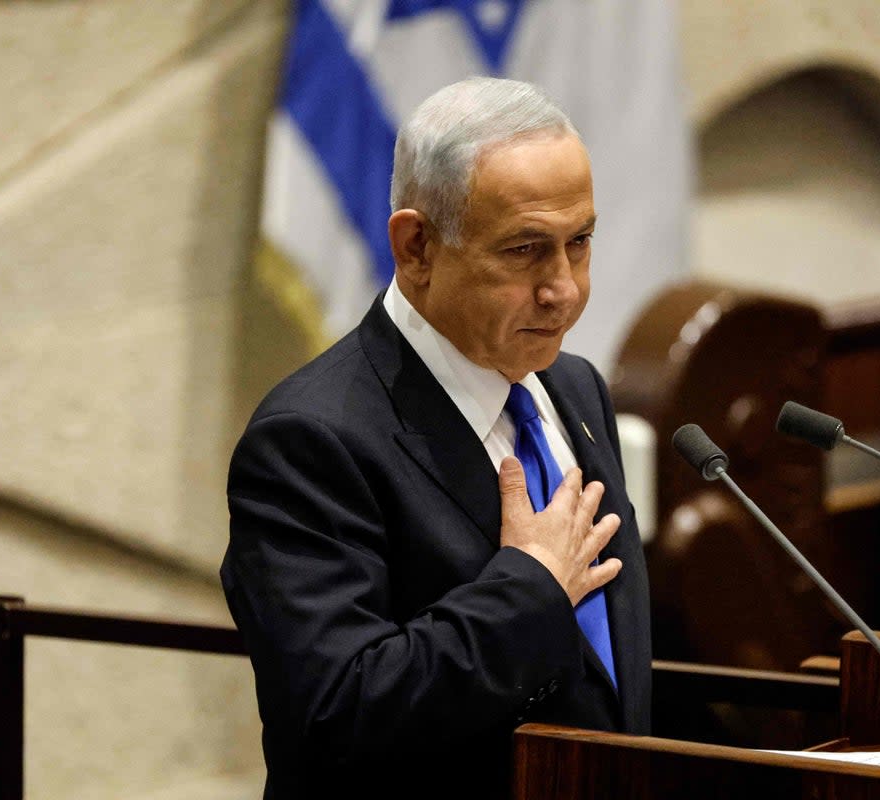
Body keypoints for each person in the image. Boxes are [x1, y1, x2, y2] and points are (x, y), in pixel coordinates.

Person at [221, 76, 651, 799]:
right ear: (416, 245)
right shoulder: (311, 440)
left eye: (579, 243)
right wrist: (529, 589)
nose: (565, 290)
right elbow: (337, 713)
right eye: (524, 251)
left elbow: (604, 671)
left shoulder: (574, 390)